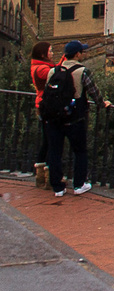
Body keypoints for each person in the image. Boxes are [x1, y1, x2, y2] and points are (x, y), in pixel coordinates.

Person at [39, 41, 106, 197]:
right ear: (77, 54)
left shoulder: (53, 71)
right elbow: (94, 93)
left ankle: (58, 188)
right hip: (75, 118)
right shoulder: (82, 71)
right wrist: (103, 104)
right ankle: (79, 185)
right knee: (80, 151)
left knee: (55, 152)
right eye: (82, 51)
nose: (83, 54)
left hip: (54, 118)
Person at [26, 42, 51, 189]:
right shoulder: (42, 69)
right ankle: (47, 177)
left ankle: (41, 176)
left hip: (40, 104)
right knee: (50, 140)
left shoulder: (37, 66)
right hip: (45, 105)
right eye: (50, 50)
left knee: (46, 140)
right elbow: (56, 76)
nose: (52, 53)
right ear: (43, 54)